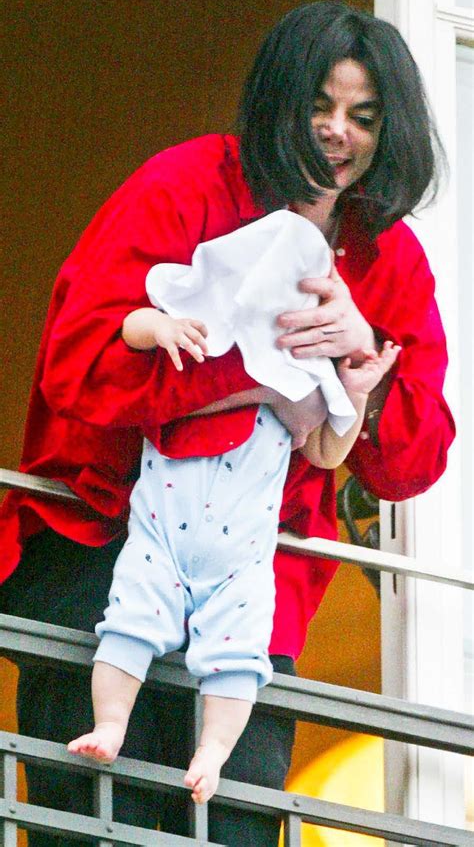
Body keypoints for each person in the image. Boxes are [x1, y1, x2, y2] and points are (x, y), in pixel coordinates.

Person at [0, 0, 455, 846]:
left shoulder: (389, 255)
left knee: (234, 821)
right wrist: (254, 373)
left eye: (363, 116)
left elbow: (414, 460)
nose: (335, 134)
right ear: (281, 99)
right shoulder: (186, 184)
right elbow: (75, 364)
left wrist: (363, 360)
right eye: (319, 106)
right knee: (92, 820)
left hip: (253, 588)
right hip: (105, 552)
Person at [67, 235, 400, 803]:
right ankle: (111, 725)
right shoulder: (201, 329)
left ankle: (214, 753)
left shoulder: (305, 375)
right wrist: (159, 329)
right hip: (160, 539)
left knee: (240, 661)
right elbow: (132, 324)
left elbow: (325, 451)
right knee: (125, 631)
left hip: (242, 559)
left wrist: (356, 391)